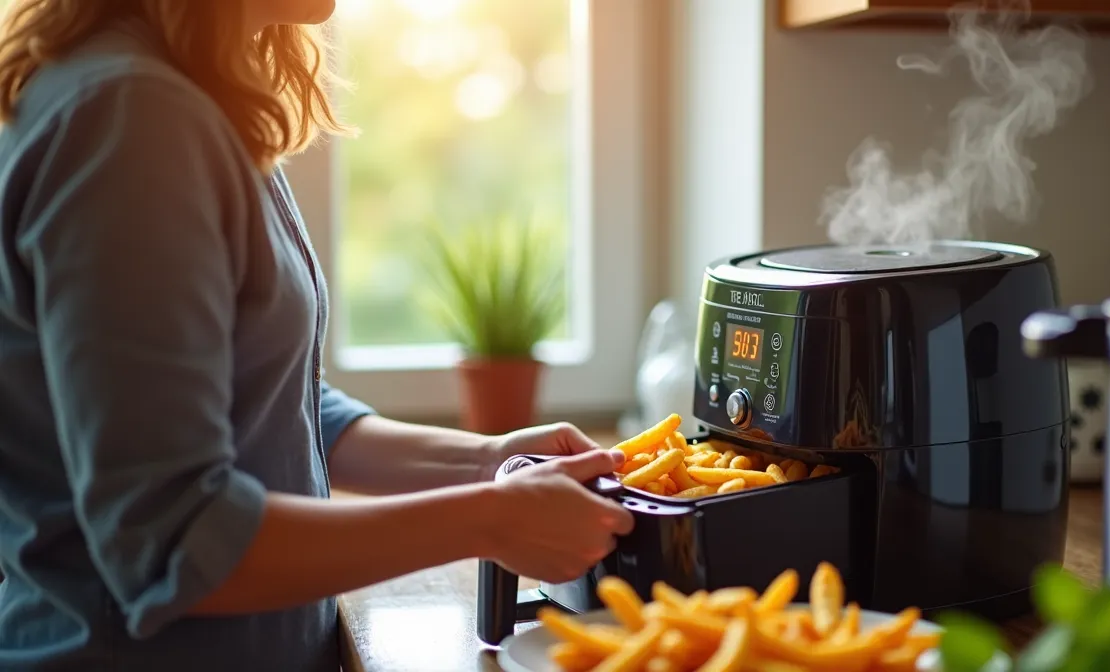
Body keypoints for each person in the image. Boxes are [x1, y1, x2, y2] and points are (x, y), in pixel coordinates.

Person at [0, 1, 636, 670]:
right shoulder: (131, 118)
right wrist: (491, 519)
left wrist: (484, 463)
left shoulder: (183, 94)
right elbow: (177, 539)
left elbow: (274, 406)